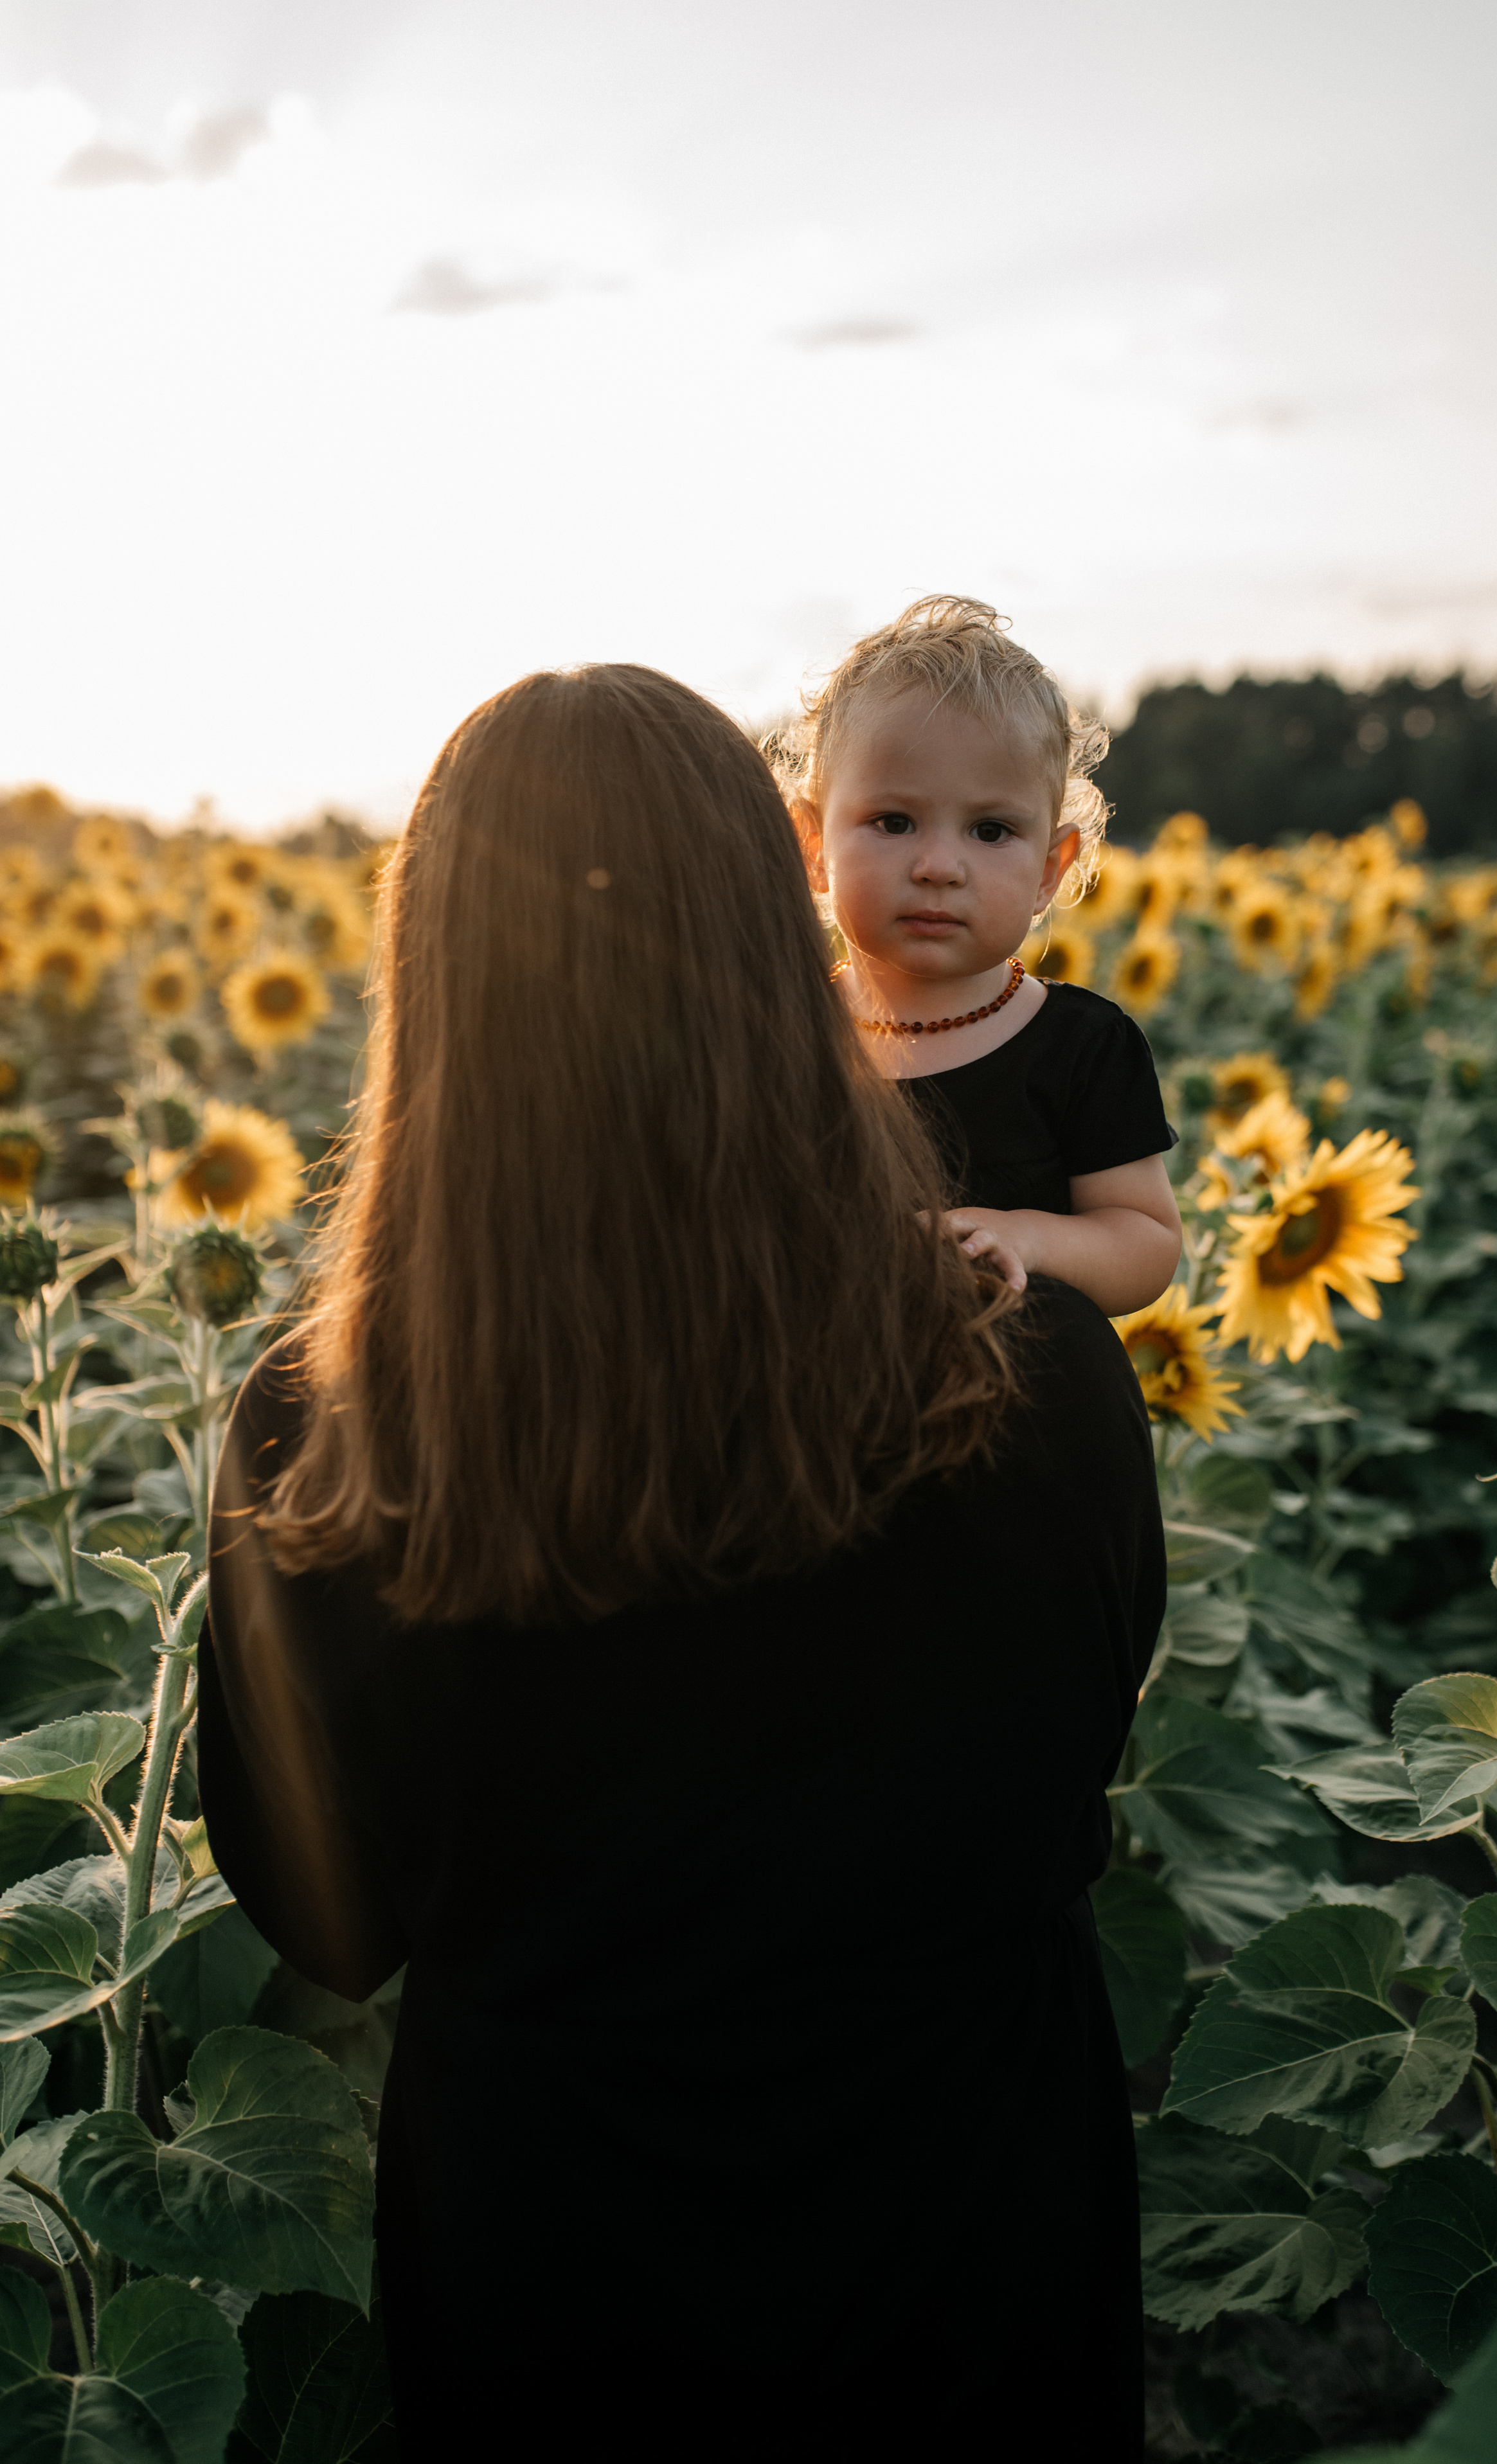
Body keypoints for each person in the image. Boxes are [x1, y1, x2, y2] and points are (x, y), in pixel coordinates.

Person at [200, 664, 1165, 2458]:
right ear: (779, 921)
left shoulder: (319, 1430)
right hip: (975, 2264)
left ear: (436, 987)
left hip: (555, 2288)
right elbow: (1074, 1769)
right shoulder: (1033, 1373)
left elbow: (324, 1921)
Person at [777, 596, 1181, 1314]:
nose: (939, 865)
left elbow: (1146, 1244)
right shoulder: (784, 1036)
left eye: (990, 831)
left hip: (1033, 1411)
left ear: (1050, 870)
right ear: (813, 846)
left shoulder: (1082, 1048)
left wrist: (1028, 1237)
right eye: (893, 822)